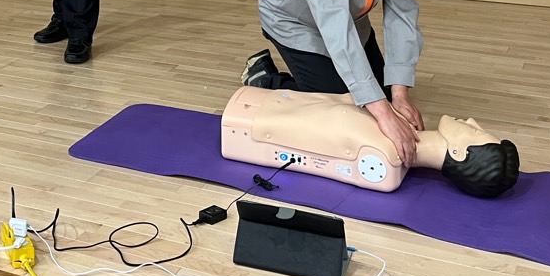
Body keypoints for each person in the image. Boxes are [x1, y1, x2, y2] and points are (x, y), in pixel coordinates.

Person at [243, 0, 451, 168]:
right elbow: (335, 28)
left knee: (380, 99)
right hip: (295, 23)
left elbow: (403, 20)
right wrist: (379, 109)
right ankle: (265, 79)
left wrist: (399, 93)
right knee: (343, 108)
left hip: (351, 20)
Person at [221, 85, 520, 198]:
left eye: (475, 132)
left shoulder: (383, 155)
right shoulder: (393, 135)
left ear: (458, 152)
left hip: (257, 115)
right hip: (275, 102)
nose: (471, 121)